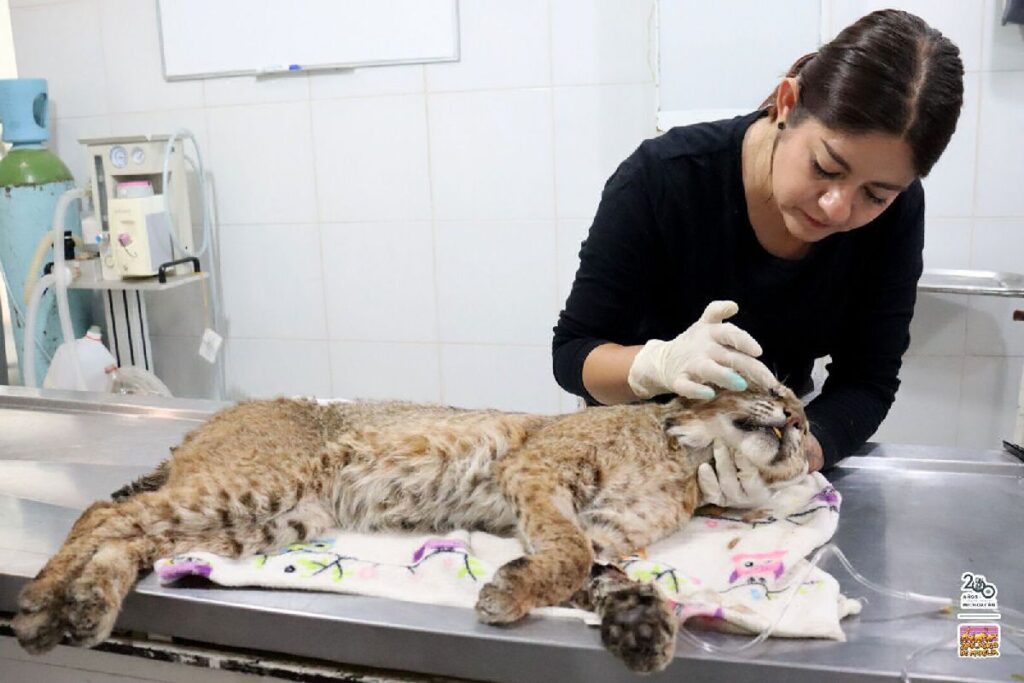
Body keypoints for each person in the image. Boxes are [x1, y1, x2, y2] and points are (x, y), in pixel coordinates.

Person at [551, 10, 964, 506]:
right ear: (788, 103)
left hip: (759, 467)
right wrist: (655, 363)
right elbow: (573, 354)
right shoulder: (663, 179)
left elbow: (867, 380)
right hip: (629, 462)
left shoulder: (895, 217)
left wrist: (798, 455)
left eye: (875, 195)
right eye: (825, 167)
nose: (838, 207)